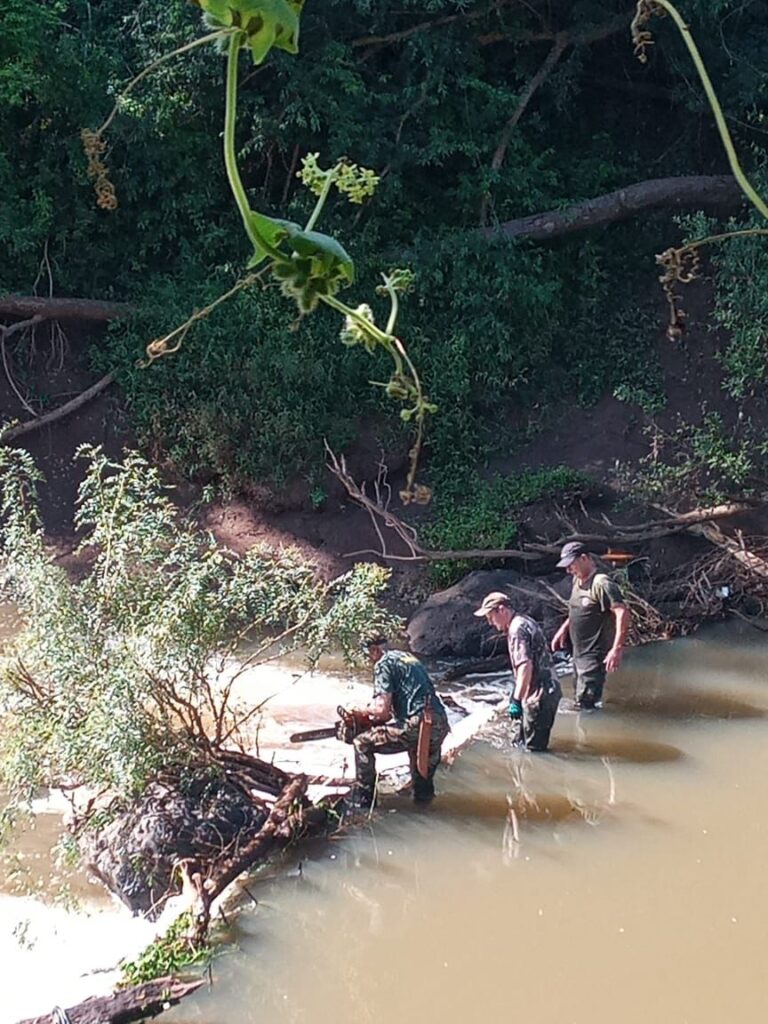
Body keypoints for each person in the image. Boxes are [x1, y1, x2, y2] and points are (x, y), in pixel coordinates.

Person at [341, 637, 450, 808]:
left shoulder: (383, 664)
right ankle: (424, 815)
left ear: (375, 650)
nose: (368, 659)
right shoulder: (406, 657)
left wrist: (358, 710)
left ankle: (364, 801)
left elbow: (381, 710)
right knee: (422, 782)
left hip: (417, 724)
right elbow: (389, 713)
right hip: (439, 723)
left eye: (368, 654)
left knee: (361, 742)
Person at [474, 592, 562, 751]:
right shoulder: (524, 621)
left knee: (534, 751)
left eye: (490, 617)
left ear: (502, 610)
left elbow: (525, 666)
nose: (490, 622)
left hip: (539, 695)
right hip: (546, 689)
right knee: (520, 742)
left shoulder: (517, 629)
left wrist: (516, 699)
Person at [551, 541, 630, 710]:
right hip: (578, 654)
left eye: (571, 565)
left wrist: (616, 649)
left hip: (594, 656)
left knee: (587, 706)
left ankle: (589, 733)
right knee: (579, 700)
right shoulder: (577, 580)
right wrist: (563, 629)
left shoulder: (601, 583)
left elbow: (622, 612)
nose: (568, 570)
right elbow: (576, 609)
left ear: (584, 558)